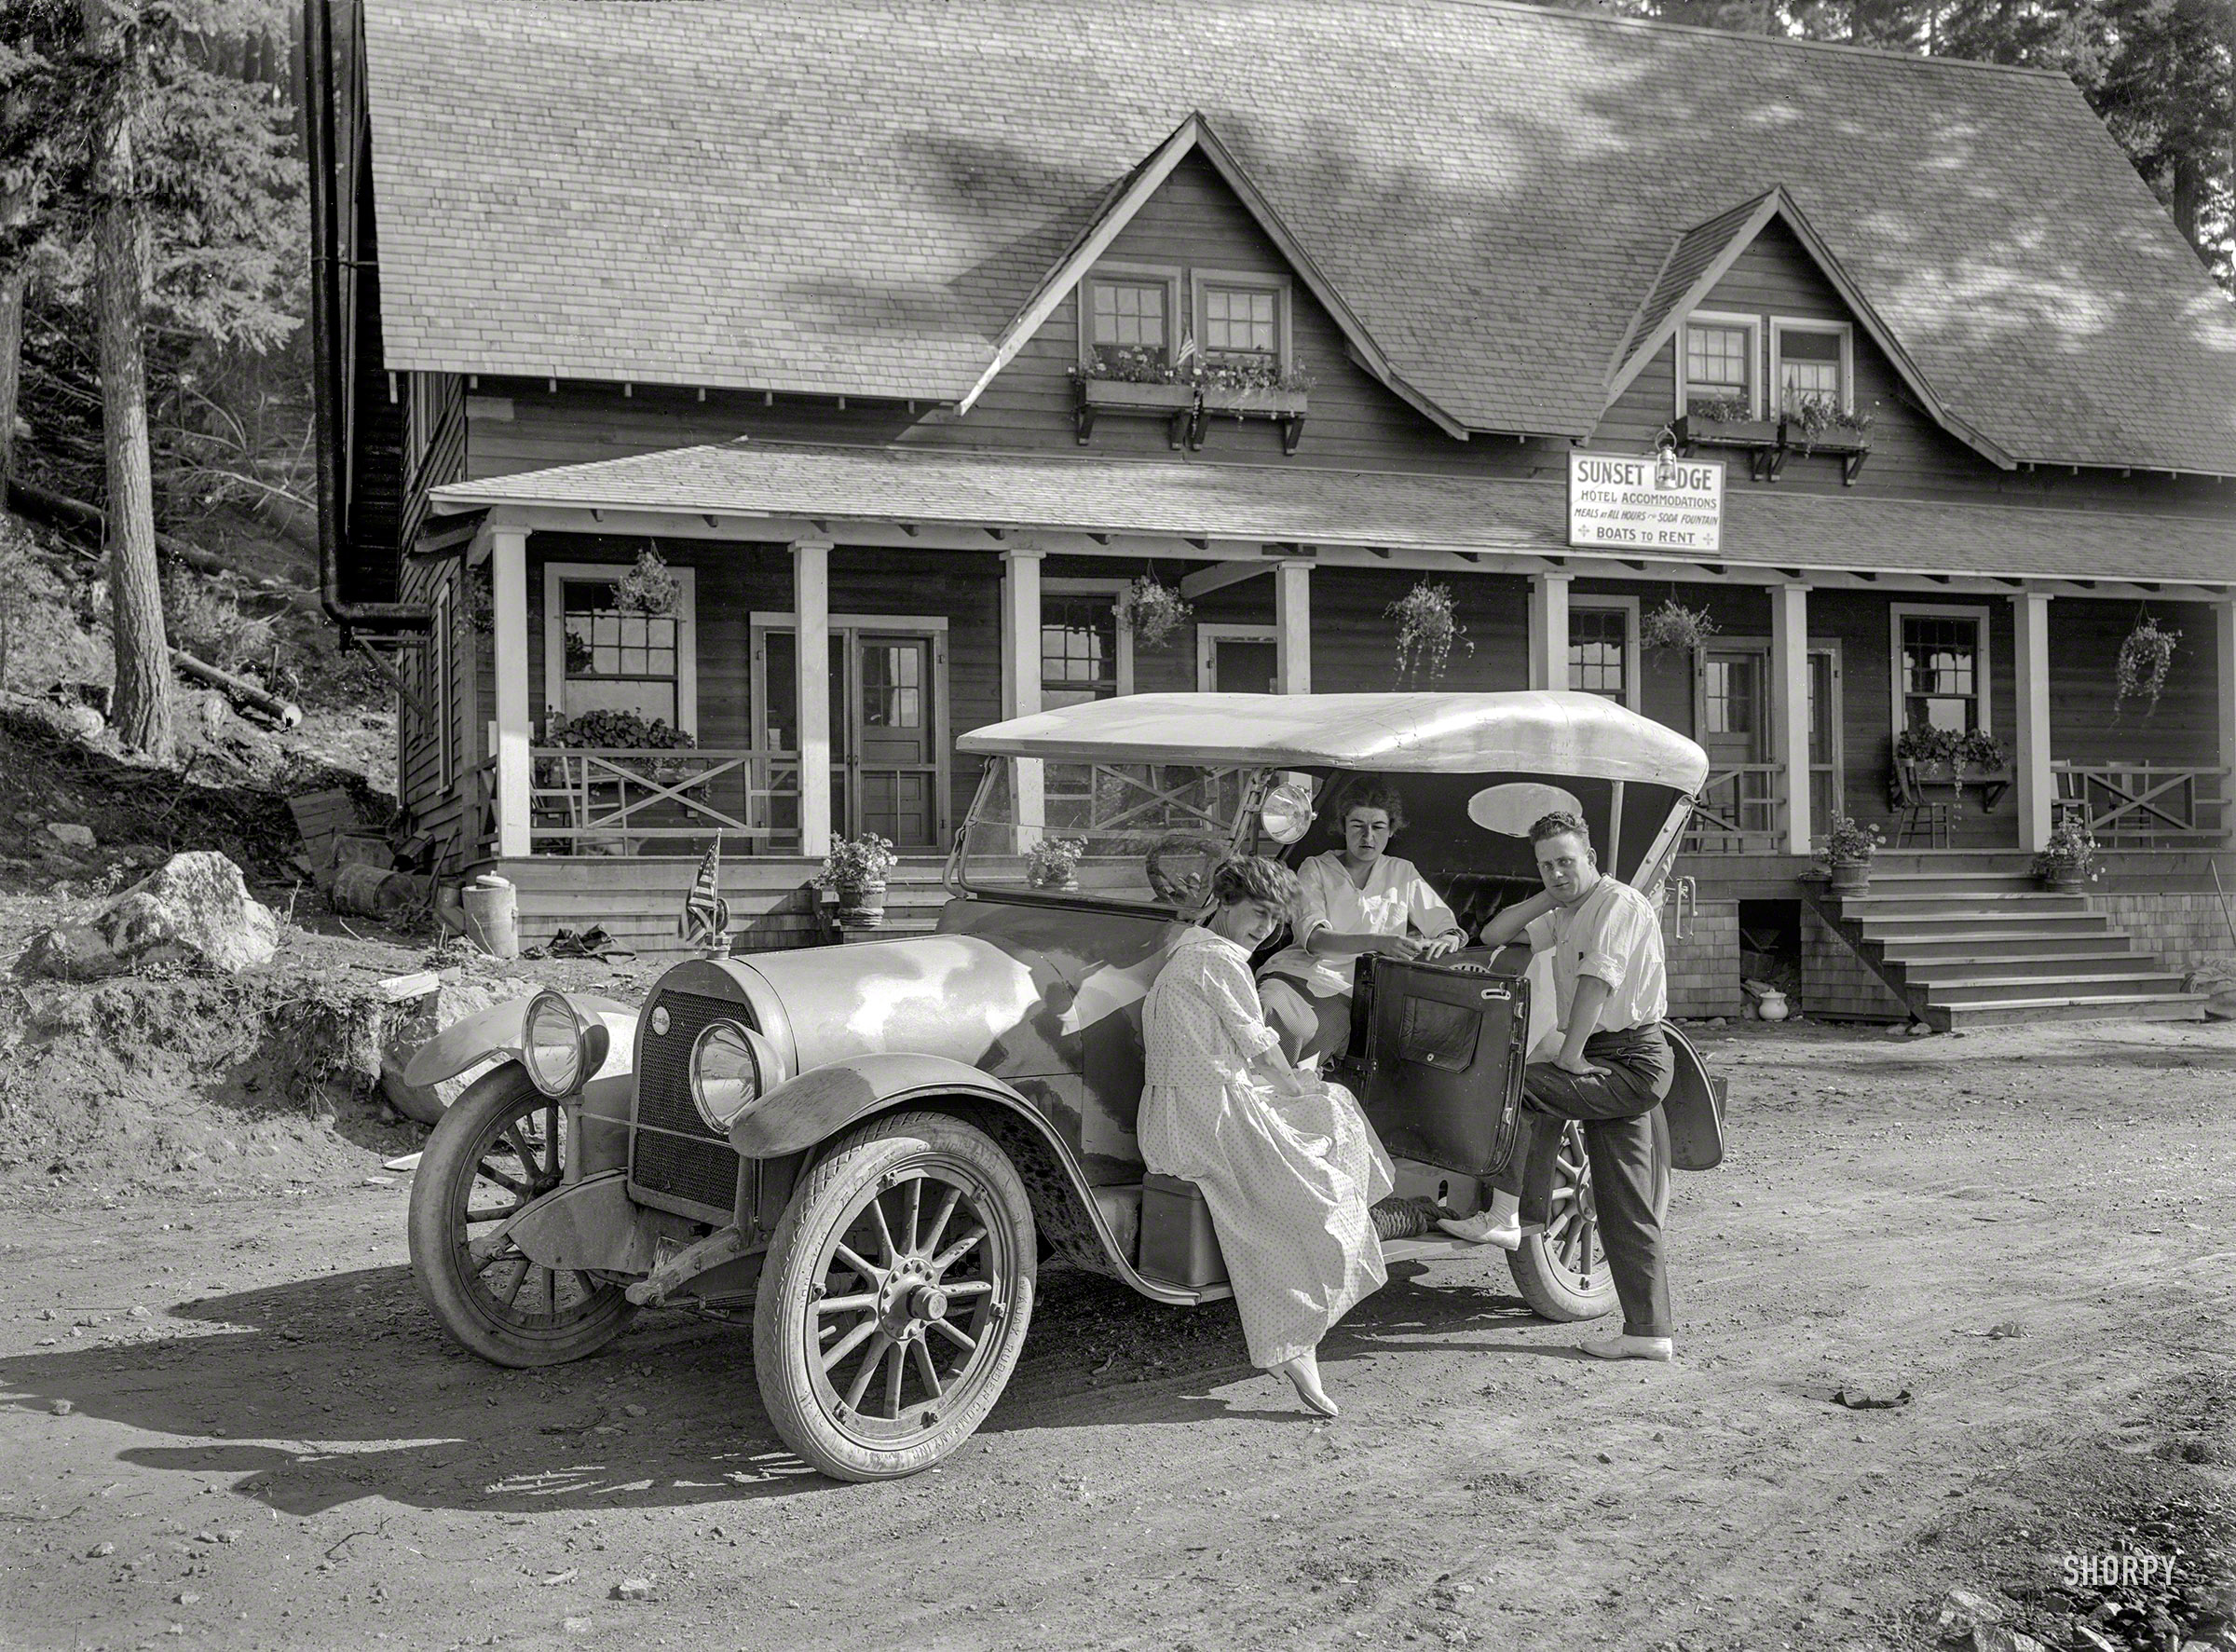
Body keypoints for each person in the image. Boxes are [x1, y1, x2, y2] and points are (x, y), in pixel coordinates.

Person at [1139, 855, 1396, 1417]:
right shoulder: (1219, 959)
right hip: (1208, 1119)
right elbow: (1260, 1048)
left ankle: (1310, 1305)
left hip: (1177, 1113)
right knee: (1327, 1153)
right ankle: (1296, 1335)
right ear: (1225, 902)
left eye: (1276, 920)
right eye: (1258, 913)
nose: (1266, 929)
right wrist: (1295, 1085)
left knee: (1332, 1109)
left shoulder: (1188, 947)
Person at [1440, 810, 1677, 1362]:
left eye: (1566, 861)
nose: (1556, 872)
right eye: (1546, 864)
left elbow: (1598, 980)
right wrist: (1551, 893)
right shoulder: (1567, 910)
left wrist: (1569, 1054)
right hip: (1609, 1056)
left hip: (1632, 1059)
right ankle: (1650, 1332)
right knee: (1624, 1201)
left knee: (1519, 1087)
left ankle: (1508, 1216)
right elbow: (1494, 934)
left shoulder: (1618, 904)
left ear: (1591, 857)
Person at [1257, 785, 1468, 1068]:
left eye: (1378, 827)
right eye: (1357, 825)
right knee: (1270, 1016)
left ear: (1391, 830)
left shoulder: (1402, 872)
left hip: (1354, 989)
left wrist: (1450, 936)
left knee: (1311, 1042)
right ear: (1343, 826)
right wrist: (1379, 942)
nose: (1368, 837)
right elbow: (1315, 939)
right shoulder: (1315, 867)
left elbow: (1444, 924)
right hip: (1295, 974)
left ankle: (1287, 1089)